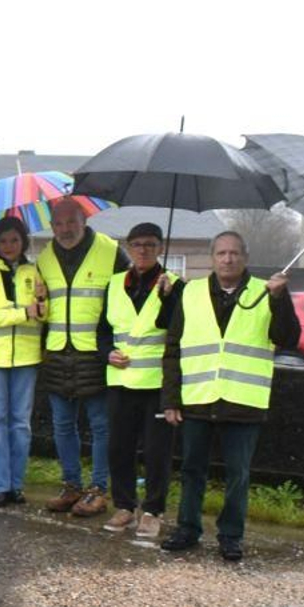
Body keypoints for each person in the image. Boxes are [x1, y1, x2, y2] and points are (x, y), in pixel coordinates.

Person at [160, 230, 301, 561]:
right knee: (192, 469)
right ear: (212, 258)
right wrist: (170, 399)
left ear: (245, 258)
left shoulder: (268, 290)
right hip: (198, 396)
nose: (228, 259)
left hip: (243, 399)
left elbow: (288, 337)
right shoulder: (191, 292)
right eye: (221, 253)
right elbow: (173, 347)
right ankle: (187, 528)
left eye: (234, 253)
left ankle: (231, 535)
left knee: (238, 474)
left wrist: (280, 299)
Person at [35, 197, 129, 519]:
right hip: (58, 351)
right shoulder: (44, 258)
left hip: (96, 352)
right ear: (51, 227)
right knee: (63, 425)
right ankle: (71, 485)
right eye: (58, 224)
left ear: (84, 219)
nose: (65, 229)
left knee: (101, 426)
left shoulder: (111, 251)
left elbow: (132, 293)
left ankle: (98, 489)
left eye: (71, 221)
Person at [100, 222, 180, 540]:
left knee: (157, 451)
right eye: (136, 244)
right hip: (120, 380)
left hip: (156, 382)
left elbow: (176, 331)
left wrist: (169, 298)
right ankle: (124, 505)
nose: (143, 250)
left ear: (160, 248)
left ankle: (153, 511)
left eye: (149, 244)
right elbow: (103, 331)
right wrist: (107, 353)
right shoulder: (116, 283)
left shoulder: (174, 284)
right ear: (128, 248)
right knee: (119, 447)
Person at [0, 216, 45, 507]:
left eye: (14, 240)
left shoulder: (35, 269)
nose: (9, 246)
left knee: (21, 424)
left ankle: (16, 485)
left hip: (26, 356)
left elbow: (44, 314)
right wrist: (23, 312)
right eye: (3, 241)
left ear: (23, 241)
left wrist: (43, 302)